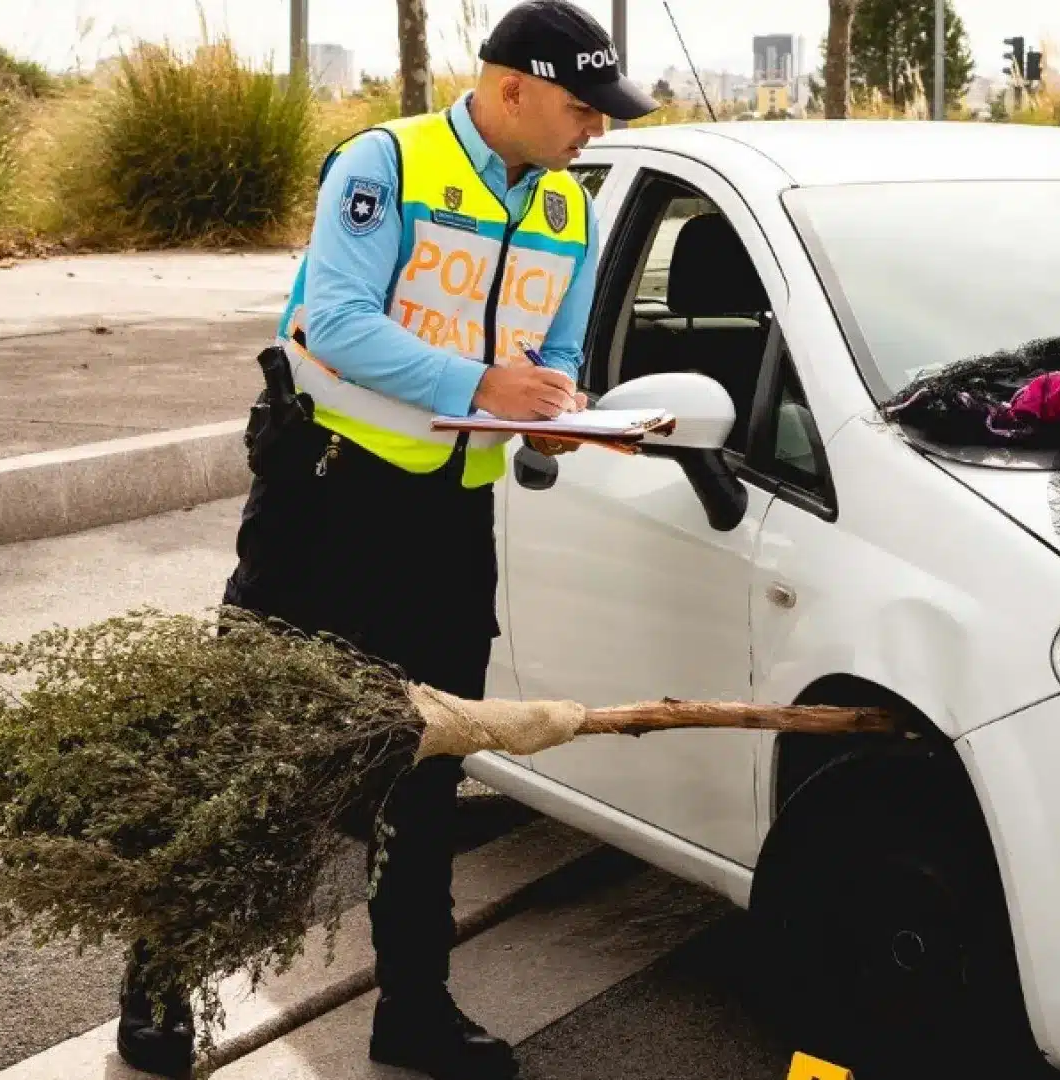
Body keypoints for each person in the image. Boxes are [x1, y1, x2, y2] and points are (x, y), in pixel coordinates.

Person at [113, 3, 658, 1077]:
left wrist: (563, 411)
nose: (594, 127)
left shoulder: (567, 206)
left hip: (452, 514)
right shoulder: (384, 163)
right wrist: (478, 383)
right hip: (327, 500)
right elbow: (341, 320)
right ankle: (161, 981)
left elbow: (549, 349)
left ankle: (413, 1007)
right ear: (511, 88)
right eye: (580, 106)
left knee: (424, 760)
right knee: (250, 747)